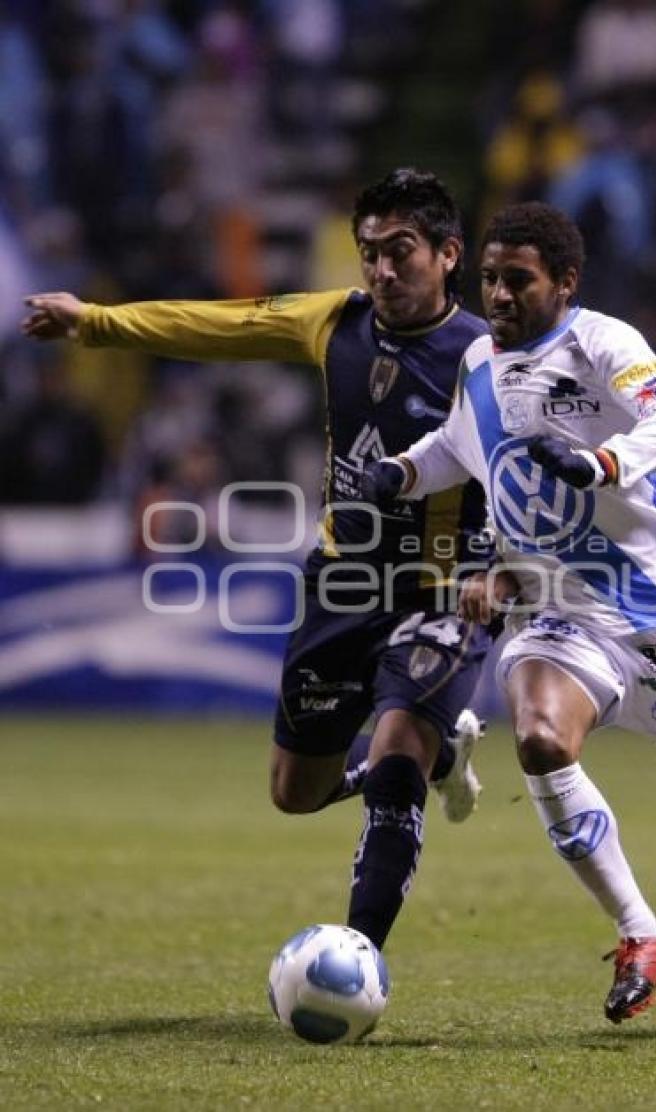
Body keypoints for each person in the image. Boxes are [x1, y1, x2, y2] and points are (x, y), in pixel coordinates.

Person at [361, 201, 656, 1022]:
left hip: (652, 611)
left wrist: (600, 462)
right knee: (540, 740)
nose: (497, 296)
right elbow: (459, 448)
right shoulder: (478, 359)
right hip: (553, 609)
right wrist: (402, 471)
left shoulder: (604, 344)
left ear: (564, 283)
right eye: (490, 279)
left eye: (518, 281)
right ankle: (643, 932)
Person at [21, 168, 493, 953]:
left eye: (400, 252)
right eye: (368, 252)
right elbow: (222, 326)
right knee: (293, 792)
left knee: (401, 741)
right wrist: (96, 324)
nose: (380, 270)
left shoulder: (488, 357)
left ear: (448, 255)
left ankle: (359, 952)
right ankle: (425, 757)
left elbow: (534, 470)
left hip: (440, 591)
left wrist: (502, 565)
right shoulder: (332, 322)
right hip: (342, 582)